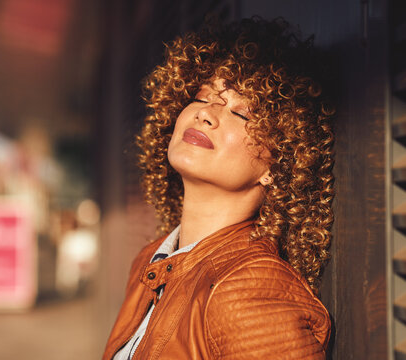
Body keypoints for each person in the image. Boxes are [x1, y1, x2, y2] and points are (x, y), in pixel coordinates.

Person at [103, 16, 334, 360]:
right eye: (202, 97)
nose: (206, 114)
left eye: (242, 113)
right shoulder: (149, 261)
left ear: (277, 166)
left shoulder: (248, 291)